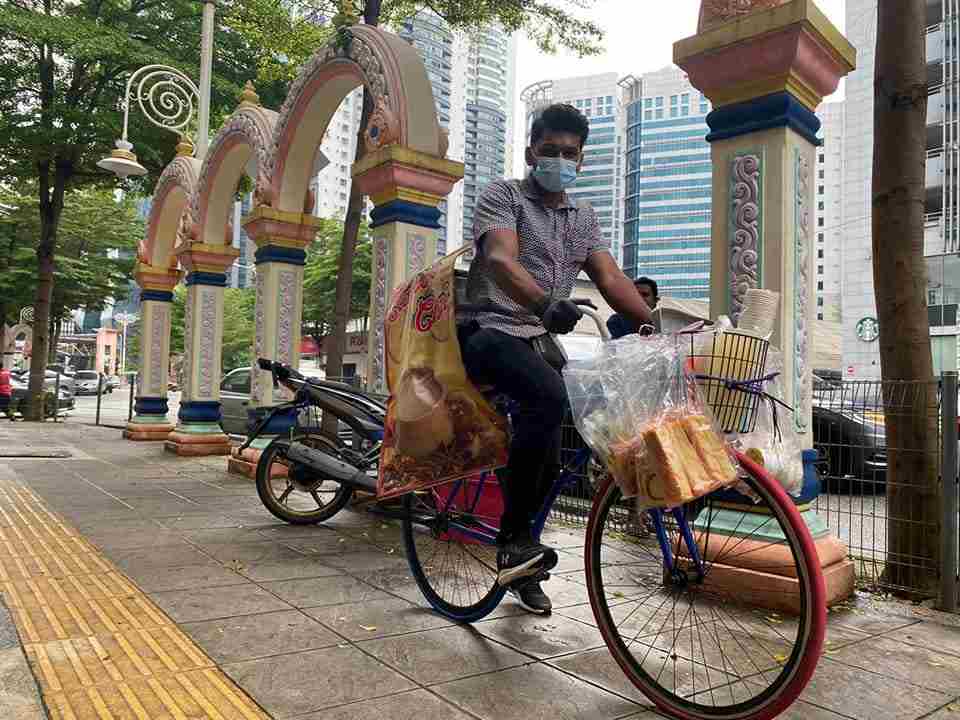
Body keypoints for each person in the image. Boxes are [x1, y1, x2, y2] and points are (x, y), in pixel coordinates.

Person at [458, 103, 653, 615]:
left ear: (582, 161)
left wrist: (655, 324)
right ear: (531, 152)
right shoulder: (504, 196)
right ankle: (514, 540)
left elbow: (610, 278)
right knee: (548, 397)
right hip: (489, 330)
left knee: (567, 436)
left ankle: (525, 561)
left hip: (538, 342)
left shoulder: (582, 216)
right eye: (551, 151)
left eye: (570, 153)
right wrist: (544, 302)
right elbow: (500, 259)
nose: (560, 160)